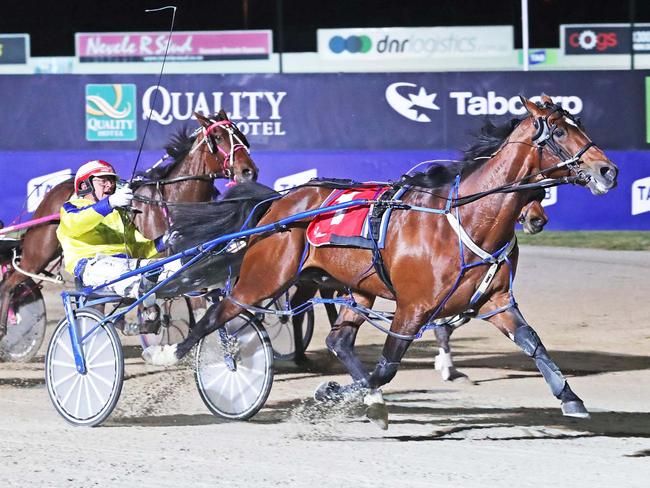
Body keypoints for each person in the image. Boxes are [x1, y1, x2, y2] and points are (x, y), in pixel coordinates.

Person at [56, 160, 180, 333]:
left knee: (176, 266)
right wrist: (110, 203)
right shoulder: (71, 209)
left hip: (126, 267)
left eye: (112, 181)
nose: (110, 185)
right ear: (85, 185)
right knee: (142, 270)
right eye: (103, 180)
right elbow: (78, 223)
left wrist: (163, 241)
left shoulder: (118, 214)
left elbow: (140, 249)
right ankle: (147, 301)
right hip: (92, 267)